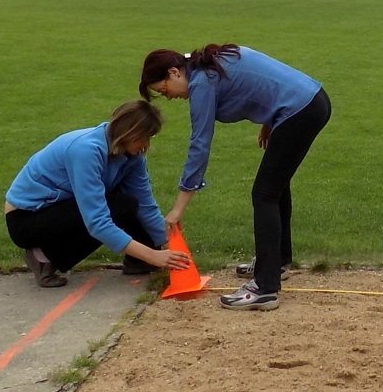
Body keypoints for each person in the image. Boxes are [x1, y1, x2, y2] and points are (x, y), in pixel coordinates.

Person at [140, 43, 332, 312]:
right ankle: (275, 262)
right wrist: (270, 120)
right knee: (274, 188)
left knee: (264, 195)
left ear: (174, 72)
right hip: (311, 101)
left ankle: (265, 288)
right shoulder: (212, 64)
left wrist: (178, 208)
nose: (169, 97)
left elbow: (199, 146)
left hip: (300, 111)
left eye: (163, 90)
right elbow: (264, 80)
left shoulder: (202, 83)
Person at [3, 99, 192, 288]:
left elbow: (145, 206)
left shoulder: (133, 159)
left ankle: (138, 262)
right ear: (129, 133)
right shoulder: (86, 150)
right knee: (118, 206)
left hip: (61, 208)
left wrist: (171, 246)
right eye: (144, 137)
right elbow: (97, 222)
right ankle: (42, 257)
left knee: (127, 203)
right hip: (26, 219)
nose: (146, 144)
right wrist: (153, 256)